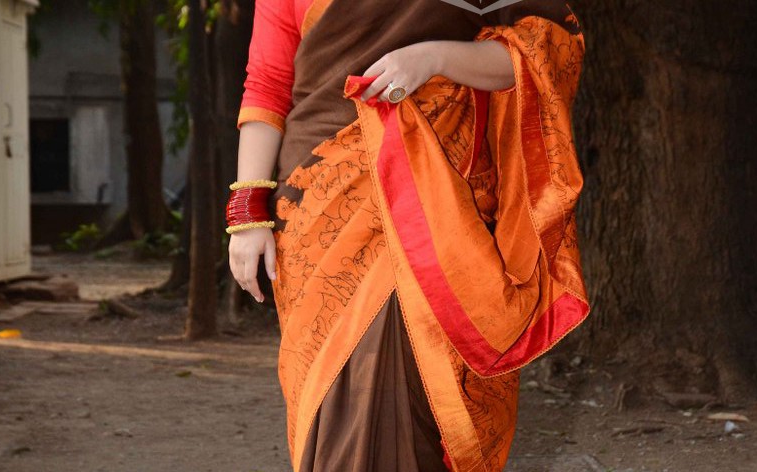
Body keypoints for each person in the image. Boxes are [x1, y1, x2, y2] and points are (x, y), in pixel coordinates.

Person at [226, 0, 591, 470]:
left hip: (436, 201)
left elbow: (549, 48)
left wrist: (435, 57)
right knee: (327, 396)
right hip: (319, 200)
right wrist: (247, 214)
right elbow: (268, 84)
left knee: (412, 397)